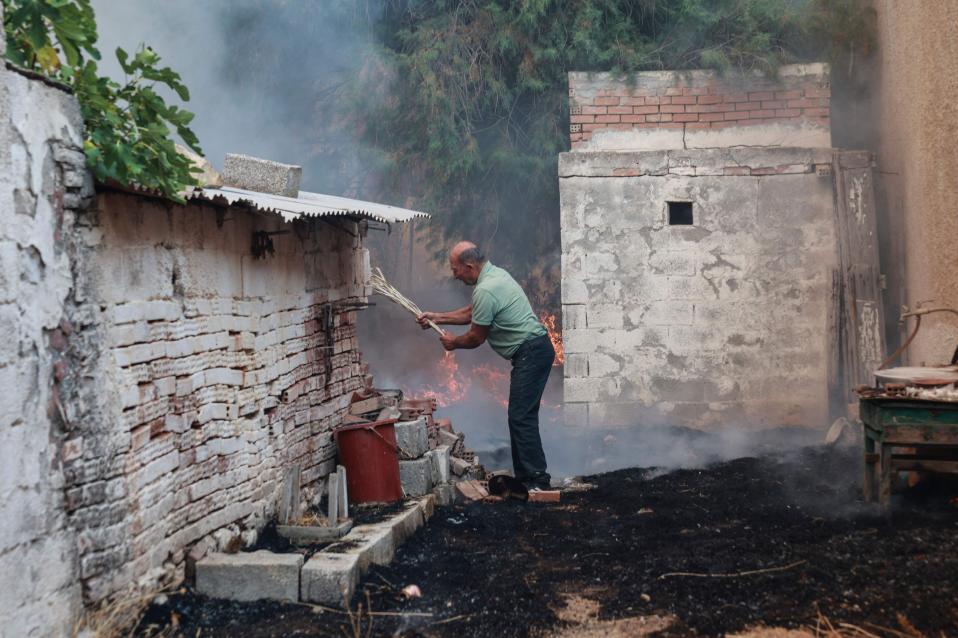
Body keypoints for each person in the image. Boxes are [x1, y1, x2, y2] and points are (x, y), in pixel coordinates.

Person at [417, 241, 554, 490]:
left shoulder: (486, 289)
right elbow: (473, 312)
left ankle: (536, 481)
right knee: (522, 417)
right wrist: (436, 316)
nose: (454, 274)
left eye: (455, 268)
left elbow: (475, 338)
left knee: (520, 417)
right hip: (536, 350)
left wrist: (453, 343)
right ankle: (528, 478)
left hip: (531, 352)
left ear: (469, 266)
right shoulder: (495, 275)